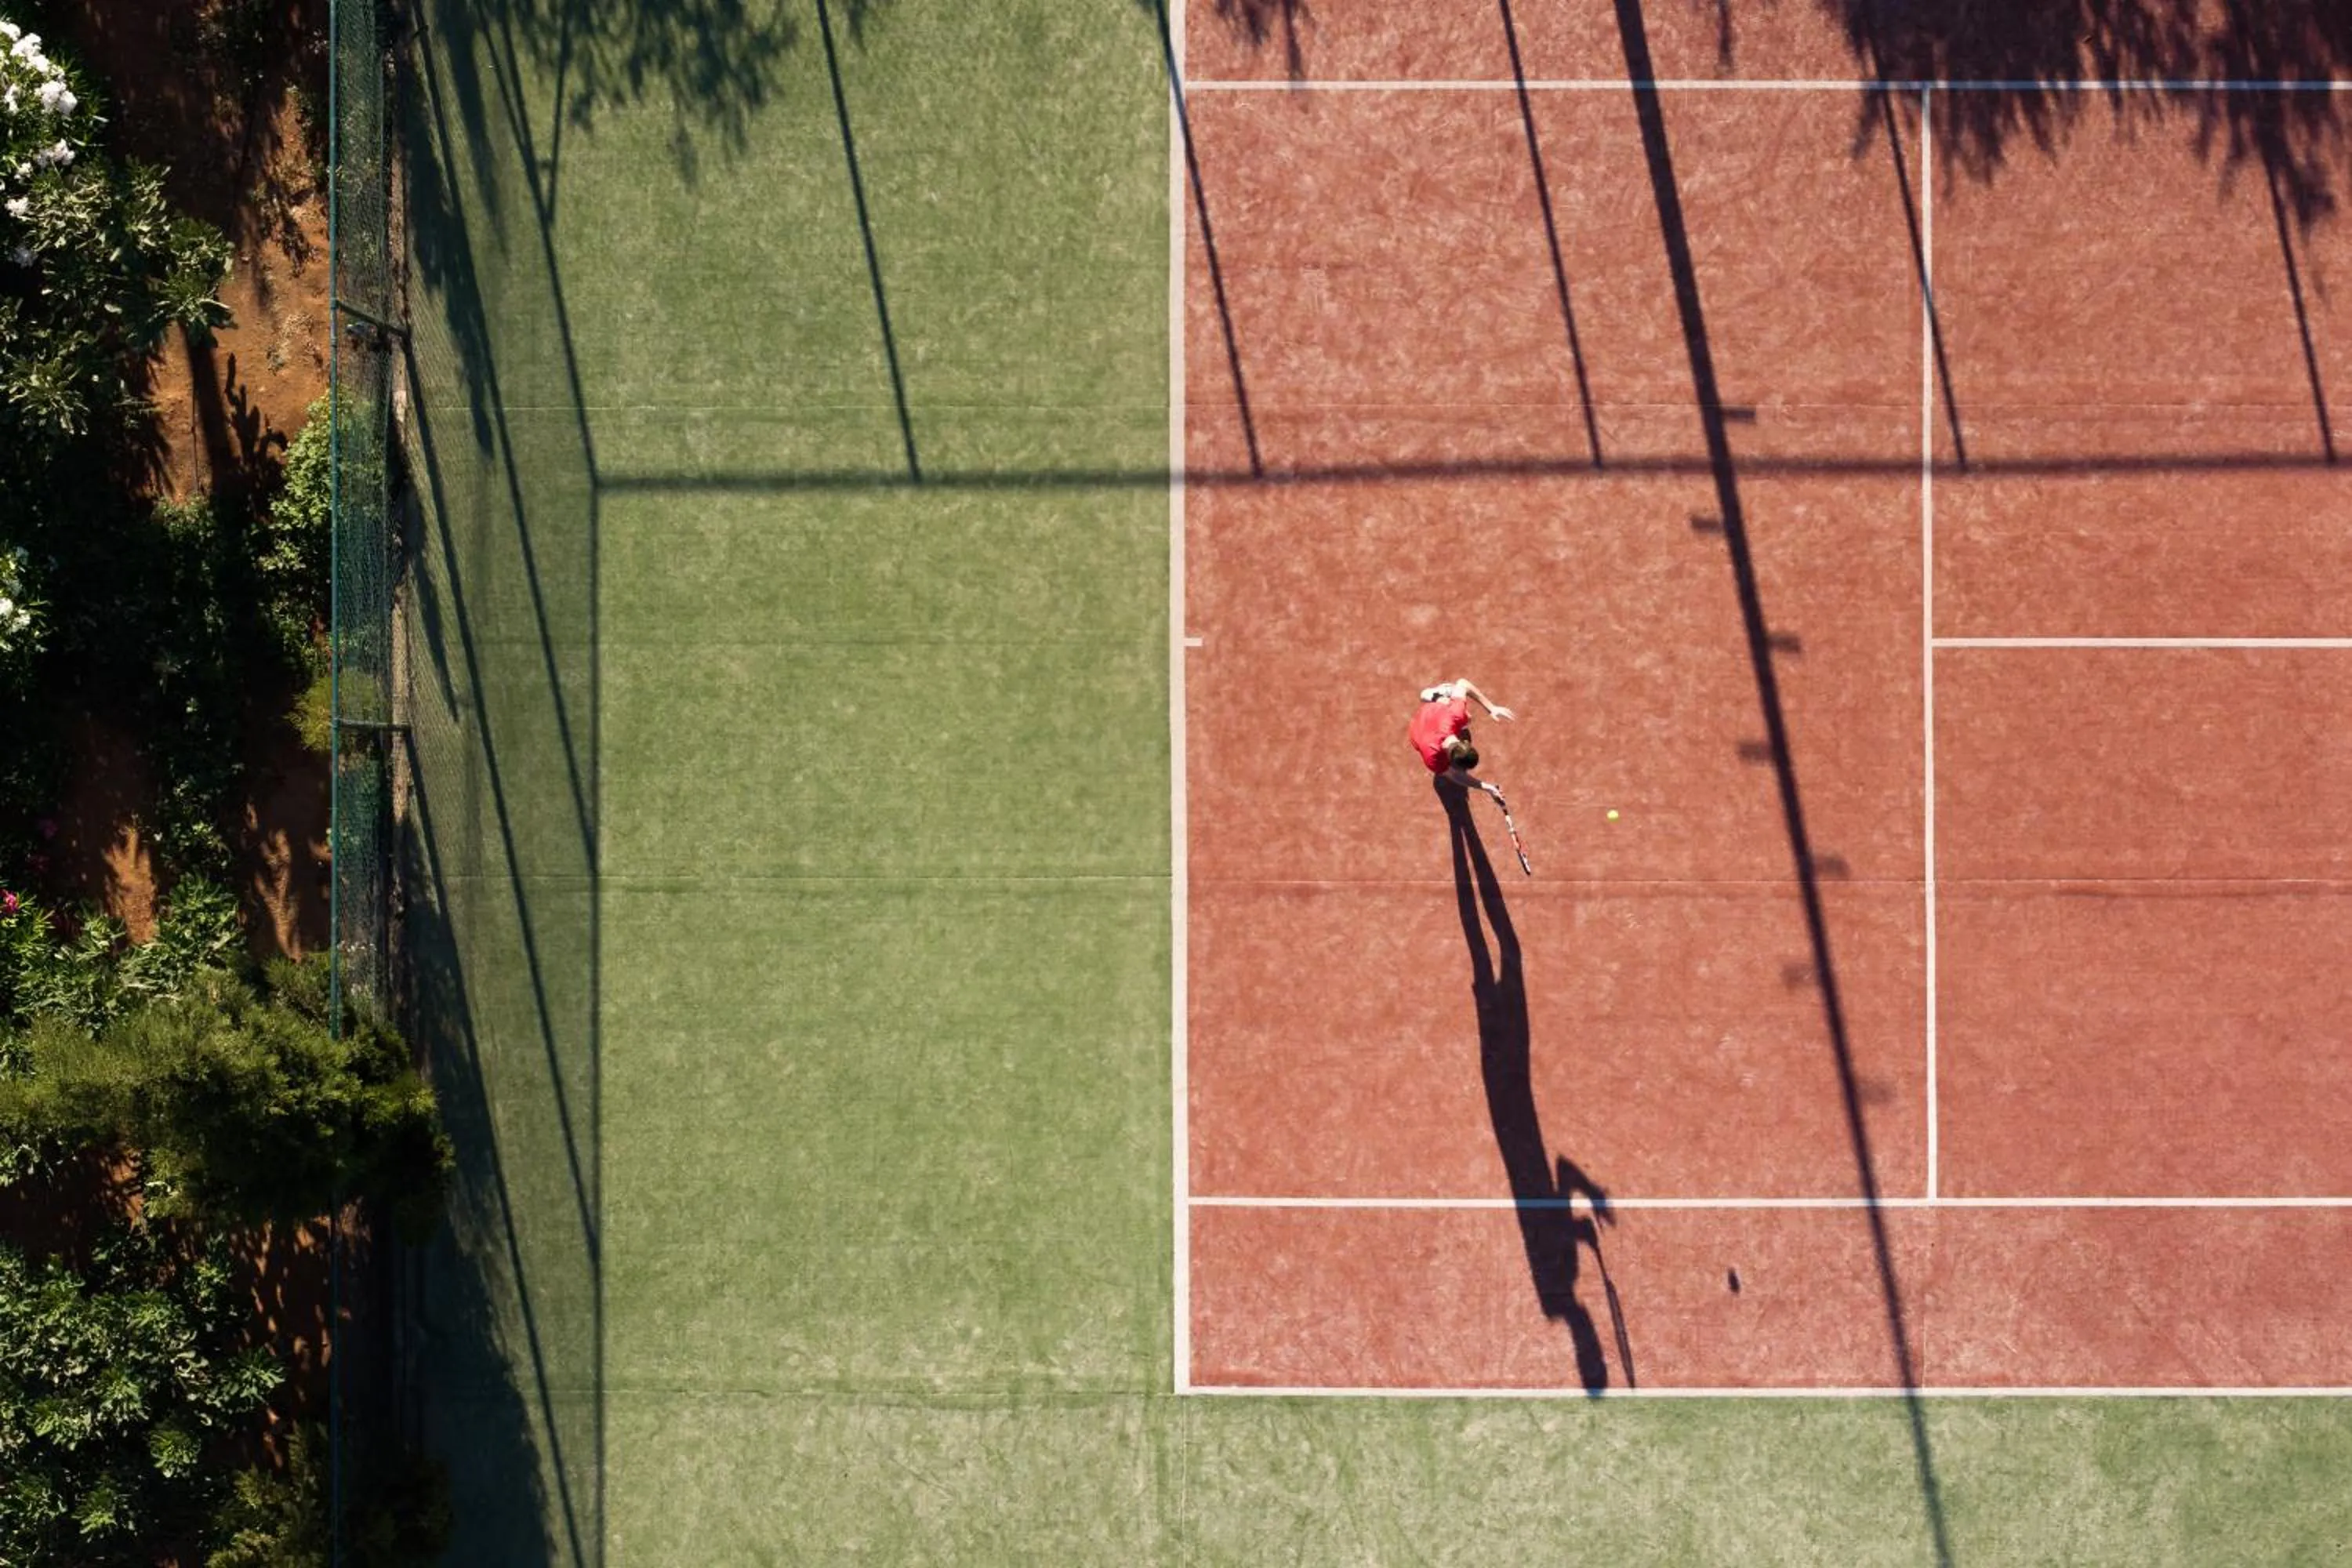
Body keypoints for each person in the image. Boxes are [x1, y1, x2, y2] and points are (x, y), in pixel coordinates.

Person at [1408, 677, 1515, 790]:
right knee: (1466, 718)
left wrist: (1491, 708)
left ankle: (1436, 697)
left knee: (1465, 717)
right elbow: (1454, 775)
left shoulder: (1455, 715)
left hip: (1420, 724)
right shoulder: (1433, 758)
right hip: (1421, 725)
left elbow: (1463, 683)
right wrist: (1486, 788)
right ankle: (1437, 695)